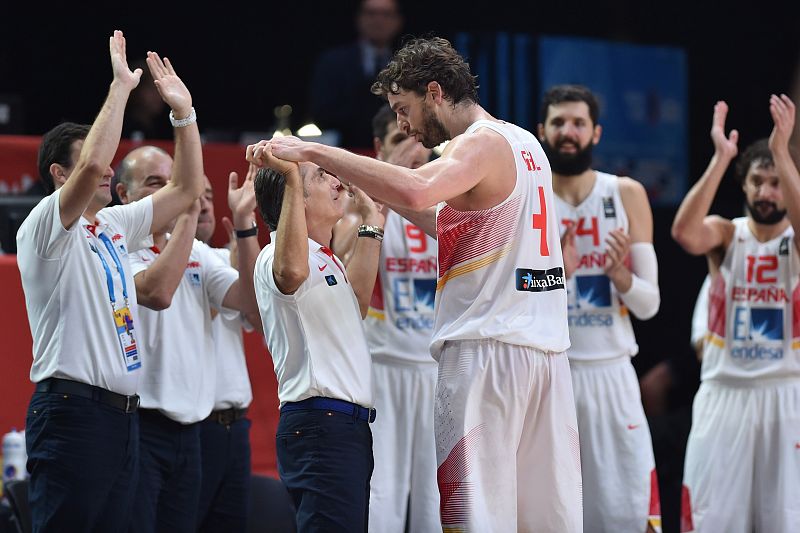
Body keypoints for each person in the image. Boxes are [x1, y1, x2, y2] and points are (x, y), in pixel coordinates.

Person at [259, 36, 582, 532]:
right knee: (546, 520)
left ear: (434, 92)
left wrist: (314, 152)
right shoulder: (525, 143)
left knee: (474, 519)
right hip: (547, 355)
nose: (404, 125)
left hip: (485, 354)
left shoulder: (477, 142)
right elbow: (447, 221)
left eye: (403, 110)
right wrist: (373, 192)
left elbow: (417, 189)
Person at [16, 32, 204, 532]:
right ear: (60, 174)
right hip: (71, 412)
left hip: (122, 418)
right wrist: (121, 87)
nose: (105, 172)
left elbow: (187, 188)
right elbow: (97, 163)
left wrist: (183, 115)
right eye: (86, 165)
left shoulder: (112, 224)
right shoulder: (45, 225)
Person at [671, 95, 800, 532]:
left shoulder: (795, 240)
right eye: (757, 181)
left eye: (776, 182)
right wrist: (721, 158)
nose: (765, 192)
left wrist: (782, 150)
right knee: (710, 519)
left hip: (786, 393)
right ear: (743, 187)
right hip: (724, 391)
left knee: (785, 521)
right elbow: (685, 233)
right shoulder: (728, 234)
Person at [115, 146, 261, 532]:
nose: (171, 192)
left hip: (191, 430)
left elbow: (250, 301)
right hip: (139, 425)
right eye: (155, 183)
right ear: (124, 195)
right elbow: (159, 292)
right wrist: (189, 214)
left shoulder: (197, 251)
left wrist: (244, 224)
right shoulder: (114, 247)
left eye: (174, 182)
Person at [539, 84, 662, 532]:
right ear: (542, 131)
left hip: (613, 373)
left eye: (578, 123)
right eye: (558, 122)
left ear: (596, 133)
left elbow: (649, 304)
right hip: (552, 372)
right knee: (554, 510)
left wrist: (621, 276)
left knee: (625, 509)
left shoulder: (625, 193)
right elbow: (513, 294)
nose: (567, 132)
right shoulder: (528, 196)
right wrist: (558, 273)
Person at [249, 144, 384, 531]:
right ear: (296, 196)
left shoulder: (324, 256)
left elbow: (358, 304)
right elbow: (291, 273)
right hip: (320, 425)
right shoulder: (276, 254)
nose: (336, 181)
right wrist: (292, 176)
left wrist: (371, 222)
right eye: (321, 175)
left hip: (342, 428)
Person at [334, 104, 439, 532]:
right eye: (400, 140)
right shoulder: (360, 201)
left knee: (438, 495)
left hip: (438, 369)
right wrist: (390, 183)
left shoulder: (449, 198)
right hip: (382, 366)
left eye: (420, 141)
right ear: (379, 147)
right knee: (382, 492)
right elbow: (338, 252)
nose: (414, 152)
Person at [194, 166, 258, 533]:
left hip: (235, 426)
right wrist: (236, 274)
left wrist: (245, 265)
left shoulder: (227, 257)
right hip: (192, 427)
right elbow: (190, 319)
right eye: (195, 196)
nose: (204, 205)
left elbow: (261, 318)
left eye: (208, 196)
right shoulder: (158, 258)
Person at [308, 0, 403, 148]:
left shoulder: (406, 64)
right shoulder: (333, 62)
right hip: (344, 150)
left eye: (386, 14)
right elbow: (321, 113)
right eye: (371, 13)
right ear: (359, 18)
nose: (378, 20)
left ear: (397, 21)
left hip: (395, 149)